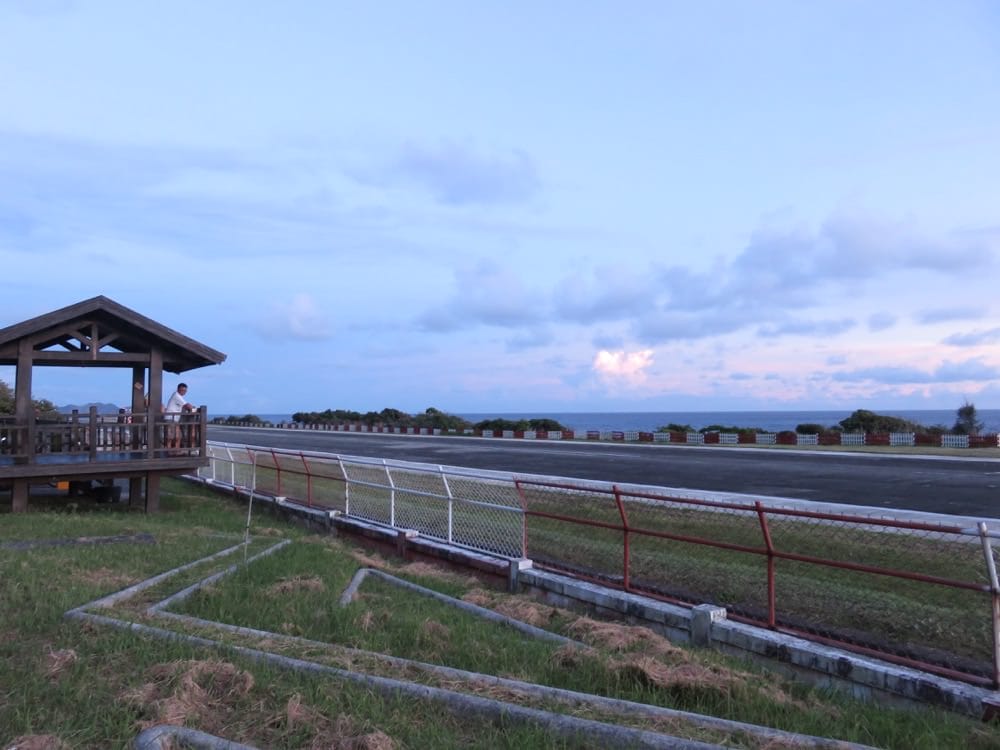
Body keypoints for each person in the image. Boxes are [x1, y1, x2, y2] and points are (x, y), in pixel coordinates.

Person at [164, 383, 197, 450]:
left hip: (174, 419)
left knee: (178, 436)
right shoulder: (176, 395)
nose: (183, 392)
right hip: (171, 418)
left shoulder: (178, 396)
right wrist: (194, 409)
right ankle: (169, 451)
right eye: (182, 390)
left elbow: (186, 405)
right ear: (178, 389)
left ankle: (175, 450)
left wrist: (191, 407)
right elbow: (188, 406)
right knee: (171, 436)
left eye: (185, 391)